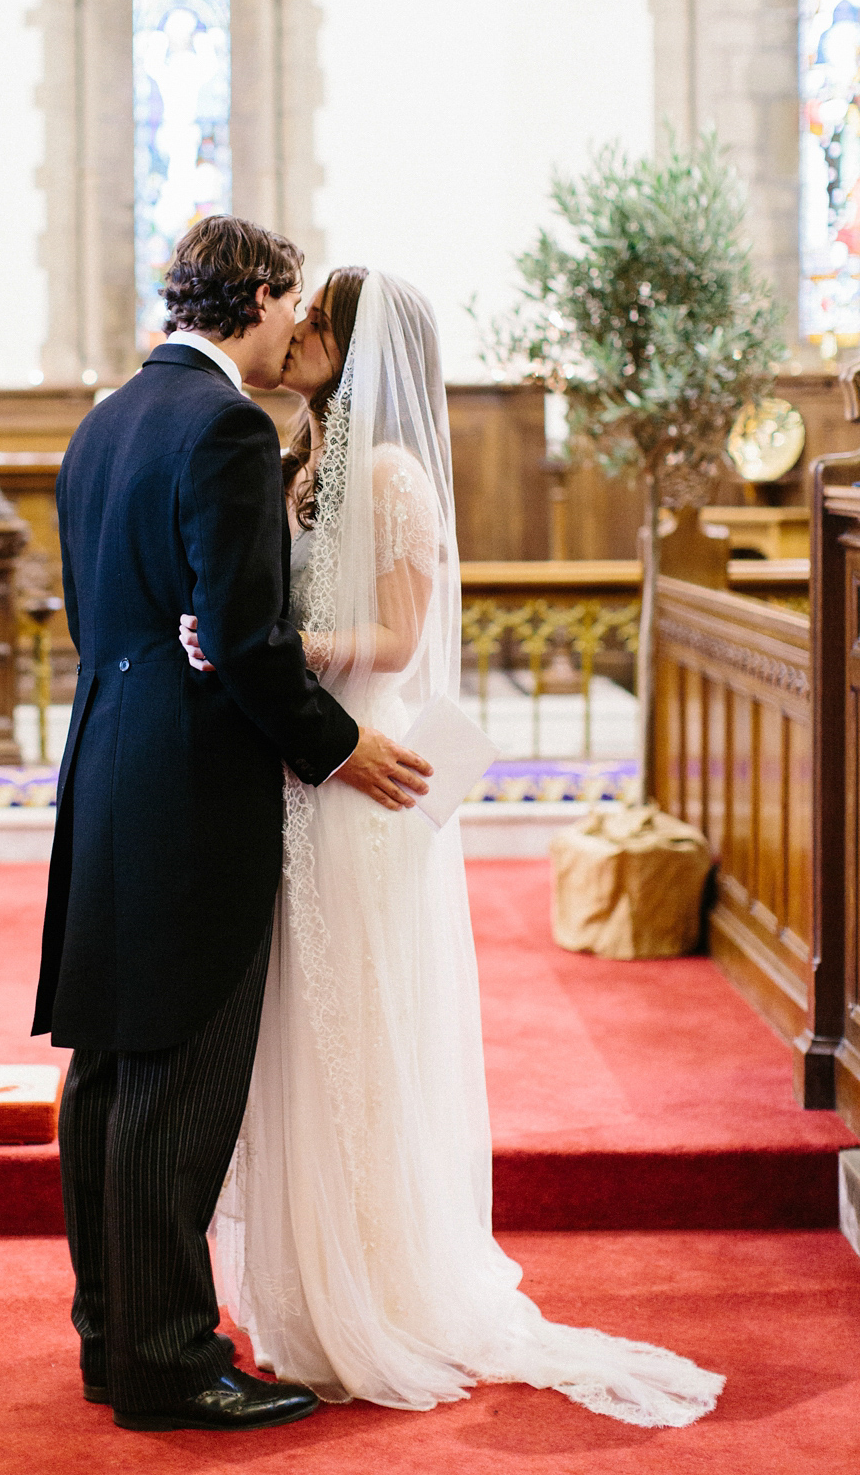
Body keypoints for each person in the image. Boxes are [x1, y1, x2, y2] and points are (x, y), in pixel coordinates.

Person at [183, 267, 725, 1428]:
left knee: (358, 1033)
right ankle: (310, 1295)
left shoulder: (388, 472)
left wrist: (271, 650)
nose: (304, 334)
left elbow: (395, 635)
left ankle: (377, 1290)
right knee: (303, 1034)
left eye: (323, 322)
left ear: (362, 347)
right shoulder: (303, 457)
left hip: (361, 777)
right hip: (304, 779)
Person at [32, 219, 433, 1434]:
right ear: (258, 297)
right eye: (290, 303)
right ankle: (167, 1359)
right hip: (190, 794)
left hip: (105, 766)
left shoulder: (105, 419)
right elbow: (247, 644)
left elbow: (93, 620)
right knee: (180, 1077)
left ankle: (111, 1333)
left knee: (108, 1069)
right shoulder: (223, 429)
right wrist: (342, 746)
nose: (293, 327)